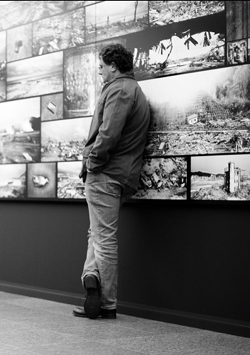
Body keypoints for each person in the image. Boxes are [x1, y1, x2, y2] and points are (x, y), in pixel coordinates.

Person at [73, 44, 150, 320]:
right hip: (121, 175)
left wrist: (92, 163)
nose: (100, 71)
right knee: (98, 233)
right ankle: (91, 277)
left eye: (102, 66)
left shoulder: (119, 90)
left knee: (103, 238)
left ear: (114, 66)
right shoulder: (135, 91)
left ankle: (106, 304)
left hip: (106, 174)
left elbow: (108, 134)